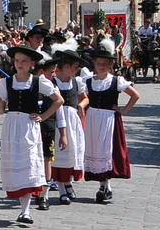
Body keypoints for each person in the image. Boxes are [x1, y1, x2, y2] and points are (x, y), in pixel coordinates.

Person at [0, 45, 63, 225]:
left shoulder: (38, 81)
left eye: (24, 61)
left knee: (29, 163)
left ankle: (25, 211)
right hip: (11, 125)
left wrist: (43, 116)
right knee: (16, 163)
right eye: (17, 60)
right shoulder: (5, 82)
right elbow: (1, 111)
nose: (20, 64)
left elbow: (59, 100)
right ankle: (22, 207)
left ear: (32, 63)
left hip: (28, 125)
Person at [83, 48, 139, 203]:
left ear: (110, 66)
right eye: (99, 63)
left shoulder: (116, 81)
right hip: (93, 117)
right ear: (94, 64)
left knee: (107, 149)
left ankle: (106, 186)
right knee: (95, 149)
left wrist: (122, 111)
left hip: (109, 119)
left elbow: (135, 95)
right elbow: (82, 97)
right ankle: (103, 184)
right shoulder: (88, 81)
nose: (101, 66)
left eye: (105, 64)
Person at [48, 50, 87, 203]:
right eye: (74, 67)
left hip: (72, 120)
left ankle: (68, 182)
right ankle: (61, 188)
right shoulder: (53, 82)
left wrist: (81, 106)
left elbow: (84, 98)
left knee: (72, 151)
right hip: (57, 119)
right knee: (59, 153)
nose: (76, 70)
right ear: (65, 67)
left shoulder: (76, 82)